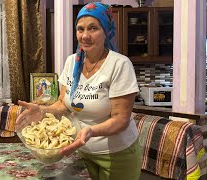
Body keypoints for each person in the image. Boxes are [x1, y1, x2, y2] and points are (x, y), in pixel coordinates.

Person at [16, 2, 141, 180]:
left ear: (106, 31)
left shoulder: (119, 64)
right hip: (81, 152)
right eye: (80, 29)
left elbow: (121, 119)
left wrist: (90, 131)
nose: (85, 36)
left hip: (117, 153)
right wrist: (42, 110)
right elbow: (63, 103)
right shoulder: (72, 62)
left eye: (93, 28)